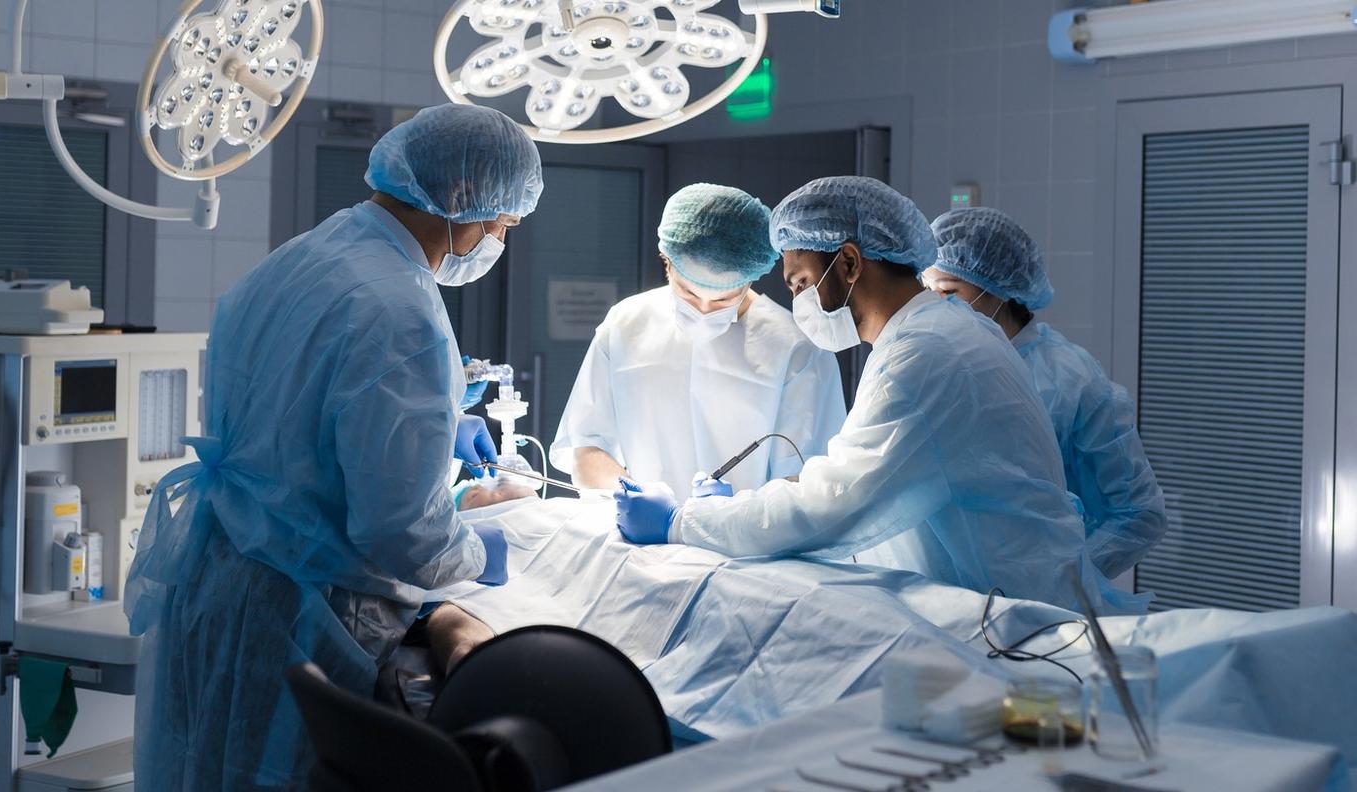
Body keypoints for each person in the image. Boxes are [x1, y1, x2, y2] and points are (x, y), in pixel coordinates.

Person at [124, 105, 543, 791]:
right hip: (303, 612)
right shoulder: (401, 308)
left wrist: (442, 459)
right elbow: (398, 535)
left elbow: (293, 428)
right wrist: (474, 548)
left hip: (222, 576)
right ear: (465, 200)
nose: (499, 236)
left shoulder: (302, 257)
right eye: (503, 222)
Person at [613, 176, 1144, 615]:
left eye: (798, 284)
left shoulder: (926, 355)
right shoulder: (946, 330)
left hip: (1009, 620)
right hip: (1006, 600)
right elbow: (875, 471)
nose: (796, 300)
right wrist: (754, 504)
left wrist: (683, 522)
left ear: (847, 264)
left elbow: (833, 507)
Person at [552, 183, 846, 501]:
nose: (704, 311)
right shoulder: (626, 324)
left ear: (751, 277)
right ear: (667, 262)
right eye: (689, 293)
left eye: (723, 299)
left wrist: (726, 522)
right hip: (644, 544)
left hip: (749, 547)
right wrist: (638, 497)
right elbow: (586, 451)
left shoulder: (797, 349)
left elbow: (803, 484)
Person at [922, 207, 1167, 578]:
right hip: (940, 598)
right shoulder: (935, 362)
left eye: (948, 292)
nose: (936, 307)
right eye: (928, 292)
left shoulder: (1070, 379)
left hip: (1038, 613)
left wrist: (1060, 576)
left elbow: (1139, 514)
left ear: (997, 289)